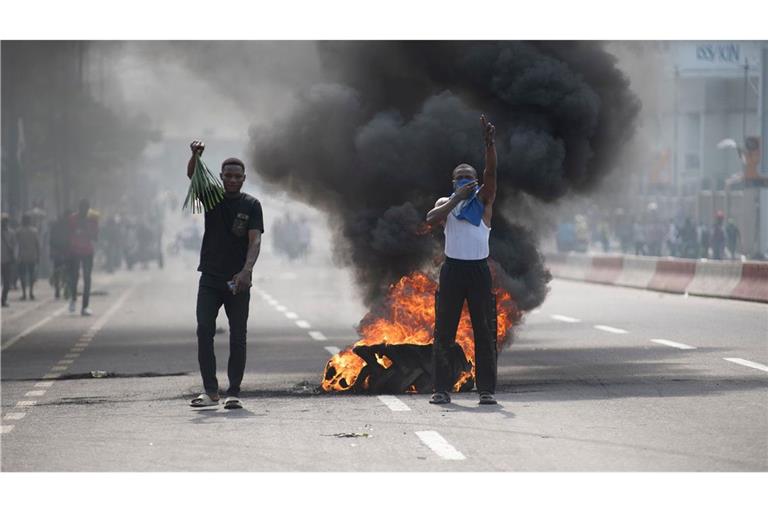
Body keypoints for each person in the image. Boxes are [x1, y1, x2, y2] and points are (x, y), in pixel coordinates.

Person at [425, 115, 498, 406]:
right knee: (444, 332)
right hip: (452, 271)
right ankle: (441, 389)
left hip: (478, 271)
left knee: (484, 332)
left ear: (476, 181)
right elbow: (430, 219)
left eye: (469, 176)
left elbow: (492, 172)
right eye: (460, 176)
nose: (465, 179)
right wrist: (456, 198)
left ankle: (486, 390)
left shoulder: (484, 201)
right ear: (453, 182)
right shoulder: (446, 204)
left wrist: (489, 145)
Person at [187, 140, 264, 410]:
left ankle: (234, 391)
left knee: (237, 336)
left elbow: (254, 241)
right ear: (220, 178)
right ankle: (210, 390)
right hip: (209, 277)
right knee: (204, 329)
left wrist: (246, 271)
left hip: (237, 281)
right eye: (227, 176)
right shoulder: (212, 198)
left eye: (237, 176)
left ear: (244, 179)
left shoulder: (252, 205)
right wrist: (195, 156)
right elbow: (192, 177)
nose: (232, 180)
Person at [68, 199, 99, 315]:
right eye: (83, 209)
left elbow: (95, 236)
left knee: (87, 278)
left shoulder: (92, 220)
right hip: (75, 251)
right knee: (75, 277)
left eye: (86, 210)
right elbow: (68, 234)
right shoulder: (72, 219)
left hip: (87, 251)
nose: (85, 211)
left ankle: (84, 306)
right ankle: (73, 299)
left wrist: (88, 230)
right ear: (80, 209)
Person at [16, 213, 40, 301]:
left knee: (22, 275)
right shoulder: (35, 231)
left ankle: (24, 293)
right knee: (31, 275)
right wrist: (38, 256)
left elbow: (16, 244)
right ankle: (31, 292)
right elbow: (37, 245)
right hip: (32, 256)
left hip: (22, 256)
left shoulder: (18, 231)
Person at [49, 210, 72, 299]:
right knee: (67, 272)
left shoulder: (55, 225)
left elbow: (51, 240)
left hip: (57, 252)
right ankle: (65, 290)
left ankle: (58, 290)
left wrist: (52, 251)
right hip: (67, 252)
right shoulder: (70, 226)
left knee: (57, 271)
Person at [1, 213, 17, 307]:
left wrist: (14, 256)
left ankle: (3, 299)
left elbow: (15, 246)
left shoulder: (11, 233)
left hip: (7, 261)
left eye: (5, 221)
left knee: (7, 282)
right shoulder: (11, 233)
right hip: (5, 260)